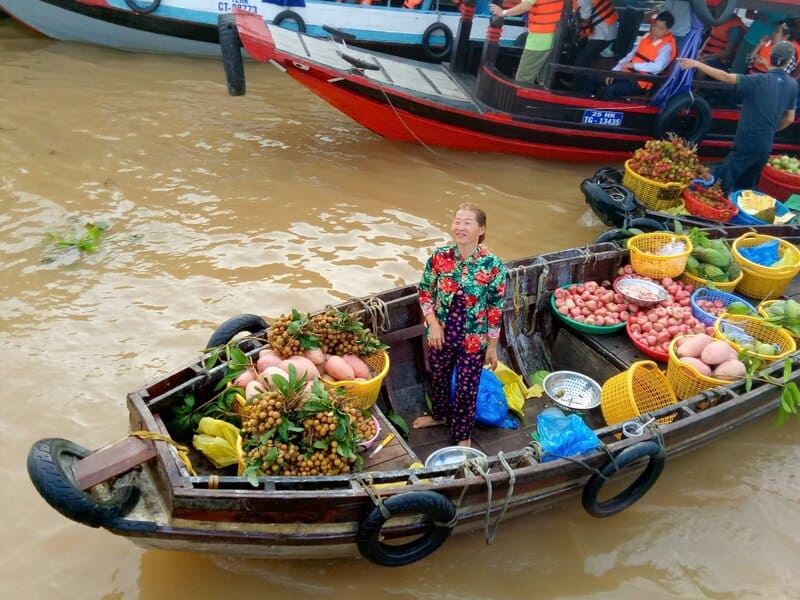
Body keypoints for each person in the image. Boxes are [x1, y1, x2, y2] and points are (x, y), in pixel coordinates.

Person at [413, 204, 507, 447]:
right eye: (457, 221)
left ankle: (462, 434)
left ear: (481, 229)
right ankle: (439, 416)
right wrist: (432, 324)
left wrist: (492, 346)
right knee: (439, 376)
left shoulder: (492, 265)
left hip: (474, 338)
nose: (460, 227)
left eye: (467, 222)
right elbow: (424, 292)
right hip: (441, 332)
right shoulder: (439, 257)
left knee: (467, 387)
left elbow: (495, 309)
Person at [679, 41, 797, 194]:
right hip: (766, 144)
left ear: (770, 56)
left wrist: (697, 64)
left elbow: (726, 77)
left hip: (746, 141)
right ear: (789, 61)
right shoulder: (792, 85)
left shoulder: (756, 80)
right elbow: (789, 118)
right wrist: (772, 129)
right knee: (747, 189)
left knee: (722, 184)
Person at [597, 11, 677, 100]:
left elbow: (658, 67)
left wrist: (634, 66)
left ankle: (607, 111)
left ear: (668, 31)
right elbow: (630, 56)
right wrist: (614, 72)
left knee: (611, 90)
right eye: (655, 25)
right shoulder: (647, 37)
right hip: (628, 74)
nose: (655, 30)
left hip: (641, 82)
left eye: (660, 28)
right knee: (597, 79)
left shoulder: (666, 48)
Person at [491, 0, 565, 85]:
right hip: (555, 37)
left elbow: (525, 5)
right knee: (544, 80)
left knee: (523, 80)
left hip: (539, 38)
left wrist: (503, 12)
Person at [573, 0, 619, 91]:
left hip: (603, 33)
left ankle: (578, 88)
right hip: (607, 30)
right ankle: (572, 80)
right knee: (577, 49)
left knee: (582, 58)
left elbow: (584, 19)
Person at [731, 9, 792, 74]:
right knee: (736, 70)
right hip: (752, 39)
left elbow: (792, 24)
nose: (774, 32)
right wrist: (759, 16)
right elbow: (748, 14)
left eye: (776, 30)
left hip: (772, 44)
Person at [699, 2, 746, 71]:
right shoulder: (717, 20)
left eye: (717, 7)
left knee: (701, 63)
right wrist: (700, 53)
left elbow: (727, 53)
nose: (713, 9)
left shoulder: (735, 28)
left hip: (722, 61)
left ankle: (698, 81)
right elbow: (710, 38)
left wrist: (706, 57)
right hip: (707, 55)